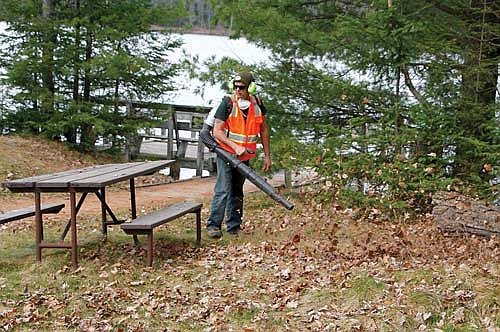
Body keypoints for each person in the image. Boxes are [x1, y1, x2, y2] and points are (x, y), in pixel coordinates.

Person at [206, 71, 272, 238]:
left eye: (241, 87)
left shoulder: (257, 104)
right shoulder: (227, 103)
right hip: (226, 154)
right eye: (235, 86)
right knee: (222, 190)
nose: (237, 90)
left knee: (237, 191)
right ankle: (213, 226)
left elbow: (264, 130)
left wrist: (267, 155)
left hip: (244, 157)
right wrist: (234, 147)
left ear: (250, 87)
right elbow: (217, 131)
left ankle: (234, 226)